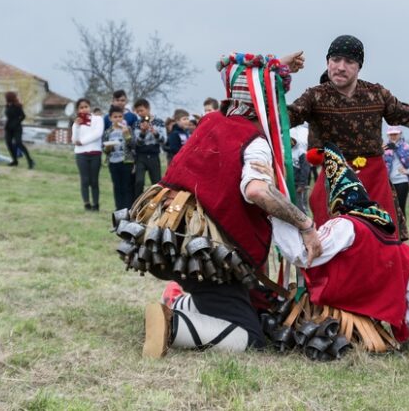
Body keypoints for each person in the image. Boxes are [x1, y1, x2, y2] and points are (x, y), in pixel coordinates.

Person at [120, 52, 321, 358]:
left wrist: (278, 67)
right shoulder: (254, 141)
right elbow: (256, 191)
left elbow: (249, 81)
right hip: (205, 253)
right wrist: (305, 224)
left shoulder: (212, 121)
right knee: (250, 336)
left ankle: (176, 304)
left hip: (166, 240)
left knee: (242, 306)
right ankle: (171, 323)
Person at [287, 35, 409, 236]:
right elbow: (280, 119)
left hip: (375, 180)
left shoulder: (376, 94)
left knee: (382, 242)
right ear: (327, 62)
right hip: (334, 182)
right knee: (332, 243)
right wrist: (275, 71)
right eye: (335, 59)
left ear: (359, 66)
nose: (340, 67)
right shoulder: (314, 96)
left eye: (349, 61)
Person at [268, 142, 409, 351]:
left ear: (336, 200)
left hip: (343, 323)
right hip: (374, 328)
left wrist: (277, 213)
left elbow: (303, 255)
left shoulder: (345, 225)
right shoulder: (387, 232)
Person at [383, 126, 409, 222]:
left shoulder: (406, 146)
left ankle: (403, 233)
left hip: (402, 181)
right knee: (389, 208)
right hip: (388, 182)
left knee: (401, 208)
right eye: (391, 134)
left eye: (395, 134)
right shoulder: (384, 148)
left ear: (400, 134)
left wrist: (408, 171)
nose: (393, 136)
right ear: (388, 135)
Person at [71, 98, 104, 211]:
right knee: (84, 180)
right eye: (81, 107)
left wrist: (83, 142)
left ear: (90, 107)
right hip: (81, 154)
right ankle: (86, 203)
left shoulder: (98, 119)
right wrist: (76, 126)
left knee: (94, 180)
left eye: (86, 107)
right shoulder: (77, 122)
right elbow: (74, 139)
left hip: (95, 153)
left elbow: (97, 134)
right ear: (78, 110)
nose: (84, 109)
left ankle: (96, 204)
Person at [103, 105, 135, 211]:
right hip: (113, 162)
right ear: (110, 118)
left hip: (126, 161)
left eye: (120, 116)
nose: (118, 119)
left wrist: (126, 135)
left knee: (126, 186)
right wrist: (108, 148)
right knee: (117, 186)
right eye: (115, 117)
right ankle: (119, 208)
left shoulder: (128, 129)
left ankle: (127, 209)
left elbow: (132, 145)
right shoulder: (108, 131)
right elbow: (105, 149)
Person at [132, 98, 166, 198]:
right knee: (139, 181)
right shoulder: (137, 124)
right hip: (141, 156)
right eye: (137, 111)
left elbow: (164, 140)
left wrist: (155, 133)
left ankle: (157, 203)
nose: (140, 113)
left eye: (141, 110)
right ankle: (138, 205)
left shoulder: (159, 122)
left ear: (148, 109)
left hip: (154, 155)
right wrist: (142, 133)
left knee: (157, 183)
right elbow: (136, 143)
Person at [4, 91, 34, 169]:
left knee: (18, 143)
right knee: (9, 143)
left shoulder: (17, 106)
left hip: (17, 128)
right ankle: (15, 161)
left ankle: (30, 160)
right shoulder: (7, 106)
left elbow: (23, 116)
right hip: (8, 128)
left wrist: (17, 122)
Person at [290, 136, 310, 213]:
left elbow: (305, 169)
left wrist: (302, 184)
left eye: (292, 140)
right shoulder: (287, 152)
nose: (290, 142)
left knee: (300, 206)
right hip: (289, 183)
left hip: (298, 184)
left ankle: (307, 222)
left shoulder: (301, 152)